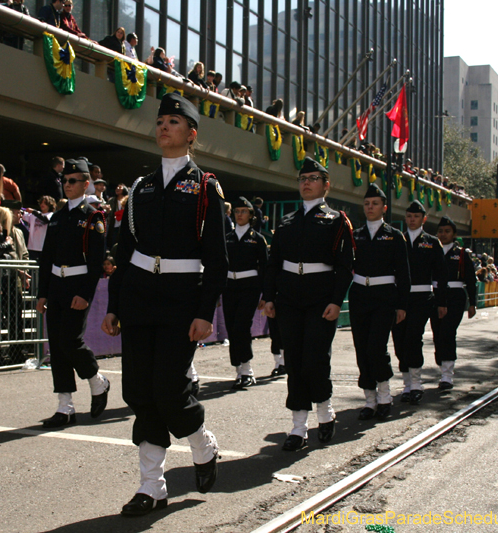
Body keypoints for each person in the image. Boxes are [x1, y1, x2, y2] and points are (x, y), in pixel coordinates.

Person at [101, 93, 226, 516]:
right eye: (160, 122)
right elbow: (124, 251)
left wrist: (204, 312)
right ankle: (152, 485)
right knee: (138, 390)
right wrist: (115, 305)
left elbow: (218, 259)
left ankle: (201, 445)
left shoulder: (206, 188)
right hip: (138, 296)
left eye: (173, 122)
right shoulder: (140, 187)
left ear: (191, 134)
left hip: (180, 299)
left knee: (169, 389)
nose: (163, 128)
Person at [262, 157, 355, 451]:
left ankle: (325, 414)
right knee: (295, 362)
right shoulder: (288, 221)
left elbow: (345, 266)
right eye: (303, 178)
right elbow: (273, 263)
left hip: (320, 299)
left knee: (315, 360)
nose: (306, 182)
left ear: (326, 185)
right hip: (289, 298)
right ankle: (298, 427)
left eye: (313, 178)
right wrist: (269, 297)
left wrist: (336, 301)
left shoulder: (337, 220)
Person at [36, 159, 110, 429]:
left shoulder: (93, 216)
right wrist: (42, 293)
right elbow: (46, 258)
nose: (67, 185)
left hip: (78, 285)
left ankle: (97, 381)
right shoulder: (57, 216)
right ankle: (64, 406)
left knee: (70, 340)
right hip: (56, 285)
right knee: (56, 345)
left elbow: (95, 260)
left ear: (85, 184)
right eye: (65, 181)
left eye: (73, 181)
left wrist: (86, 294)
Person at [349, 184, 410, 421]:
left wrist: (402, 305)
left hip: (385, 296)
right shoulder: (356, 235)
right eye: (366, 204)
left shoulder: (394, 236)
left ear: (384, 208)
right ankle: (369, 400)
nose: (370, 207)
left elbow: (404, 273)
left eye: (374, 204)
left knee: (376, 347)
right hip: (360, 296)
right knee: (361, 348)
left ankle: (385, 397)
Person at [391, 201, 447, 405]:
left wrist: (442, 302)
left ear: (423, 219)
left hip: (422, 298)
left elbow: (441, 274)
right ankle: (406, 383)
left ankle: (415, 384)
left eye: (416, 216)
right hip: (399, 298)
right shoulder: (397, 239)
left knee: (413, 338)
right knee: (399, 340)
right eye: (409, 216)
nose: (412, 219)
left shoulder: (432, 242)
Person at [224, 197, 268, 390]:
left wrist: (266, 296)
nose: (239, 214)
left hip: (249, 286)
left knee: (242, 325)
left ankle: (247, 371)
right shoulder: (227, 238)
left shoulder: (258, 239)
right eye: (237, 211)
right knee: (232, 327)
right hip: (229, 286)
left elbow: (265, 269)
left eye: (243, 211)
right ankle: (238, 370)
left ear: (251, 215)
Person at [430, 216, 477, 391]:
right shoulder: (432, 250)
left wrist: (473, 303)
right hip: (435, 295)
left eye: (447, 231)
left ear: (454, 234)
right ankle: (442, 366)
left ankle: (447, 375)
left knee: (447, 333)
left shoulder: (461, 254)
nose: (443, 234)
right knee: (437, 333)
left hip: (455, 296)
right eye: (440, 231)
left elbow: (471, 280)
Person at [26, 195, 56, 261]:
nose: (42, 204)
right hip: (32, 247)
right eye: (41, 202)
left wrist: (33, 212)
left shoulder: (52, 215)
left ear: (50, 205)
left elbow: (46, 220)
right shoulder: (33, 215)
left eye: (45, 203)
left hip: (44, 247)